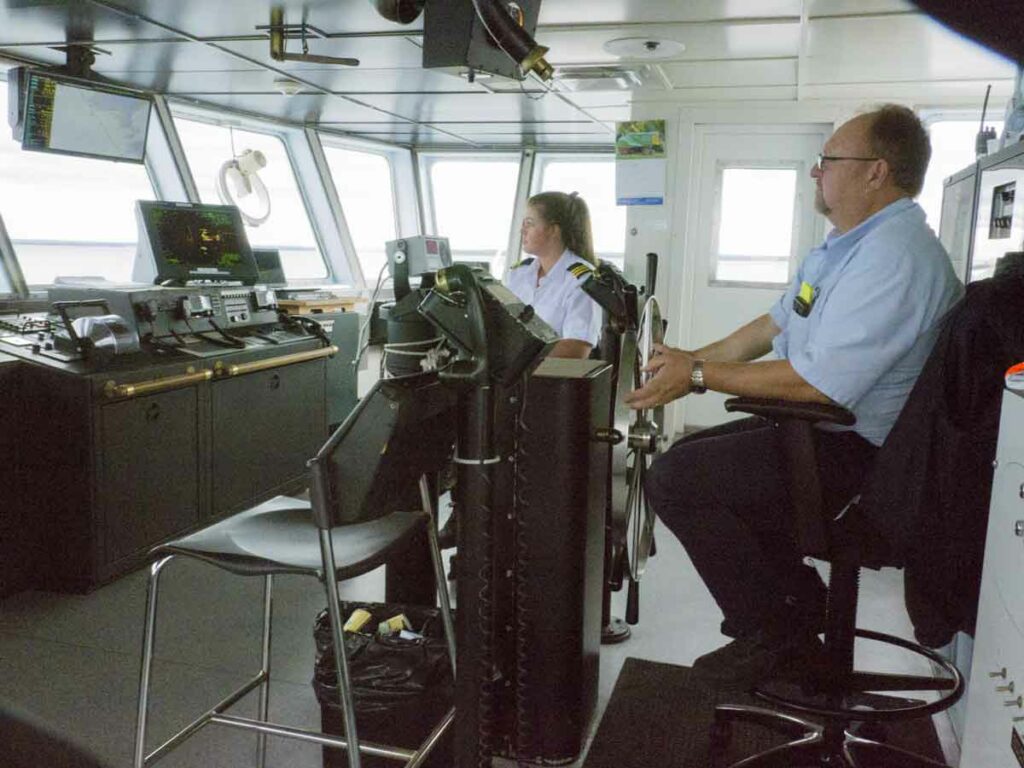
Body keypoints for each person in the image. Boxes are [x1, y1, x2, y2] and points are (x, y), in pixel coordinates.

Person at [625, 104, 963, 688]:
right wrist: (683, 360)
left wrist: (698, 375)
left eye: (828, 161)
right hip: (822, 428)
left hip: (867, 459)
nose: (817, 172)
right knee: (688, 467)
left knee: (678, 480)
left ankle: (775, 630)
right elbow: (771, 327)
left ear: (876, 172)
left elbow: (818, 382)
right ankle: (794, 616)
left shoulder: (896, 258)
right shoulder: (844, 249)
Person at [505, 191, 603, 359]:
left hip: (553, 379)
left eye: (530, 223)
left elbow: (577, 349)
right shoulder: (517, 274)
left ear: (553, 230)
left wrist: (519, 365)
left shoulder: (583, 279)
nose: (522, 230)